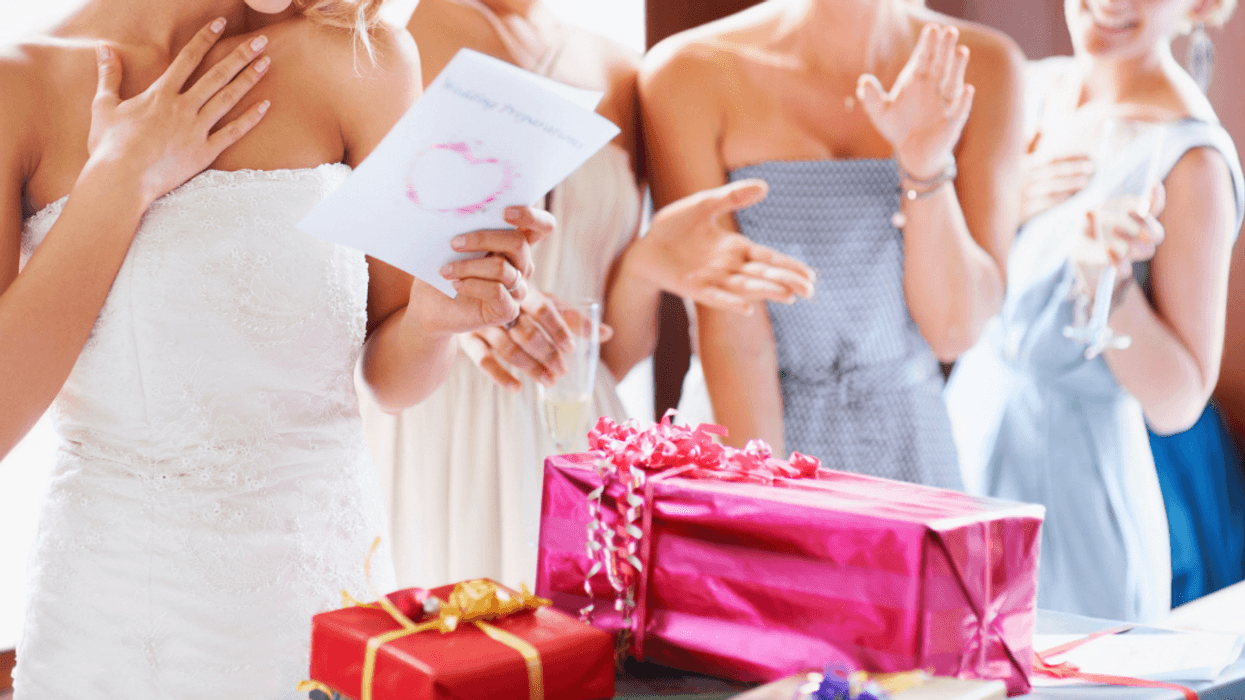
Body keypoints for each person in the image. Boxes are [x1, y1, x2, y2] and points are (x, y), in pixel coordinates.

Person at [0, 1, 558, 696]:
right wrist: (121, 175)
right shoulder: (19, 84)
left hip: (323, 597)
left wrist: (430, 325)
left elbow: (391, 380)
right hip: (115, 627)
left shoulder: (367, 58)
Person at [361, 0, 817, 589]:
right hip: (440, 430)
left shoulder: (622, 71)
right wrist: (459, 310)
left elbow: (611, 358)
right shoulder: (394, 37)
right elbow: (359, 320)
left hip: (575, 430)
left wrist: (645, 267)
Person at [642, 0, 1024, 488]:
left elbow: (954, 330)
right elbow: (734, 337)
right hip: (749, 441)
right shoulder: (688, 72)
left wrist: (924, 166)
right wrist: (766, 499)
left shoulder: (985, 65)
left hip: (911, 443)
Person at [945, 0, 1243, 622]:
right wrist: (1003, 204)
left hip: (1071, 504)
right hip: (960, 448)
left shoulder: (1192, 159)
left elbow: (1179, 402)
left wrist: (1107, 285)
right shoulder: (1030, 88)